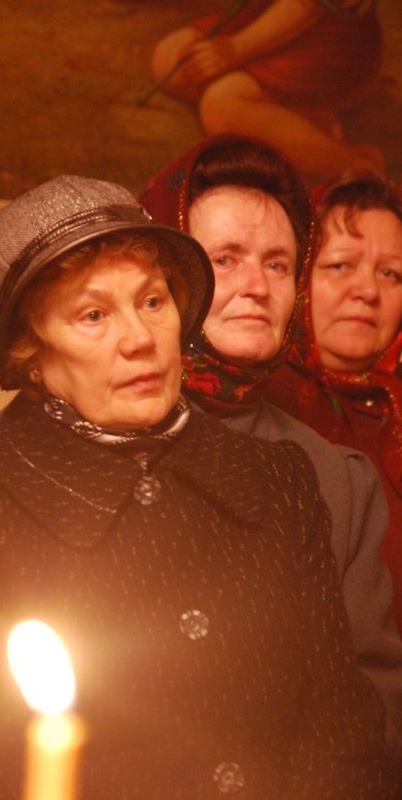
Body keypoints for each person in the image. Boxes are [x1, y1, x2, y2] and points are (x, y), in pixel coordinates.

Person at [0, 174, 398, 800]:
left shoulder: (280, 480)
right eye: (93, 315)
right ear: (31, 354)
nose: (140, 339)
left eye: (153, 302)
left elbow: (344, 739)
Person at [139, 133, 402, 752]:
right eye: (225, 258)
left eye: (278, 264)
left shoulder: (340, 479)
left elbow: (375, 707)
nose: (257, 285)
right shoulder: (86, 440)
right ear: (162, 275)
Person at [266, 170, 402, 632]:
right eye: (341, 265)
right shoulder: (253, 405)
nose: (367, 291)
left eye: (390, 273)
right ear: (299, 275)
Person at [149, 0, 384, 181]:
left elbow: (305, 6)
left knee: (219, 107)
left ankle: (351, 162)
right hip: (263, 15)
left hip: (325, 40)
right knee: (171, 60)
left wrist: (235, 49)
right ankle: (300, 116)